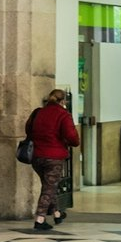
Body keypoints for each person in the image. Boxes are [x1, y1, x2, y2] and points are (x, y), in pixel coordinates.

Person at [28, 88, 79, 231]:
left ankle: (57, 214)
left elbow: (28, 129)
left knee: (49, 185)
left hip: (37, 156)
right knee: (49, 187)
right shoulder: (63, 115)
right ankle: (40, 219)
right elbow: (72, 137)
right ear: (63, 101)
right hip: (54, 157)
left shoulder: (38, 112)